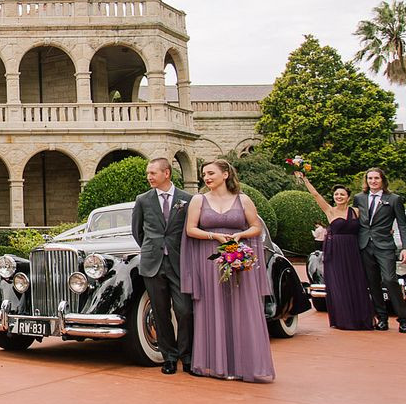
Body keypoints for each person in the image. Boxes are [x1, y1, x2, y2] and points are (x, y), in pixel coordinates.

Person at [182, 159, 275, 383]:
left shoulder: (243, 199)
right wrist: (213, 236)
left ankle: (244, 365)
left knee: (241, 309)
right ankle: (216, 365)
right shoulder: (198, 199)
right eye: (204, 174)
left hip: (237, 260)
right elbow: (190, 229)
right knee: (212, 309)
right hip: (209, 261)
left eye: (211, 173)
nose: (207, 177)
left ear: (225, 174)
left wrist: (240, 235)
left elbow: (256, 226)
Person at [131, 157, 194, 374]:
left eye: (153, 173)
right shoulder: (143, 200)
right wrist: (153, 248)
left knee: (184, 310)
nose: (149, 177)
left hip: (179, 263)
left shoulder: (187, 199)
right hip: (153, 264)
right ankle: (169, 358)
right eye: (148, 173)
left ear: (166, 173)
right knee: (160, 312)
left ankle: (187, 357)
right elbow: (137, 232)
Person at [295, 172, 374, 330]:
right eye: (336, 194)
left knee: (356, 283)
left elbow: (369, 224)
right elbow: (316, 195)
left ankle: (361, 318)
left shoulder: (356, 212)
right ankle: (344, 319)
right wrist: (305, 180)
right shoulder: (330, 211)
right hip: (336, 251)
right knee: (340, 284)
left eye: (342, 194)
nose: (339, 196)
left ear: (348, 197)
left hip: (352, 250)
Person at [355, 167, 406, 333]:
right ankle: (382, 318)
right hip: (364, 245)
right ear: (366, 181)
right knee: (372, 283)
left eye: (376, 178)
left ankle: (403, 319)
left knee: (389, 280)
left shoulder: (394, 199)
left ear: (382, 180)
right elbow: (355, 221)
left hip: (385, 246)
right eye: (370, 178)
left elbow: (402, 225)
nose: (373, 181)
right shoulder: (359, 198)